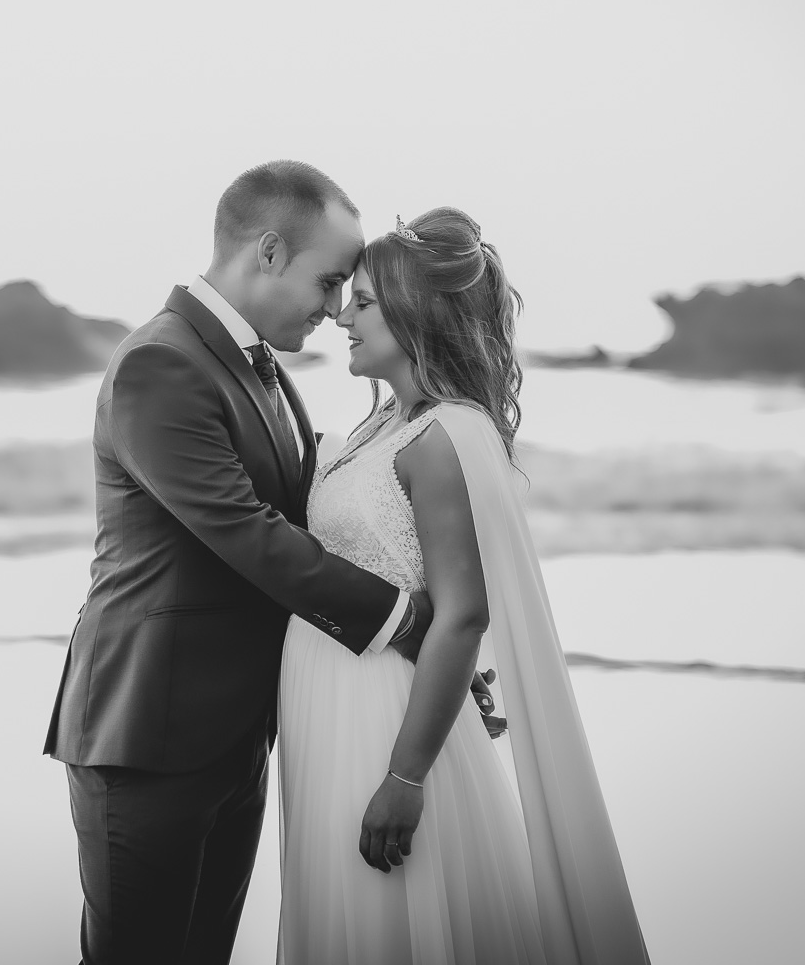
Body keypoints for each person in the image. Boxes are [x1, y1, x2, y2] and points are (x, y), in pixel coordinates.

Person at [44, 161, 446, 964]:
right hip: (148, 735)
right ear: (268, 252)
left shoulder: (261, 371)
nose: (336, 308)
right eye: (329, 281)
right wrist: (408, 625)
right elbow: (246, 532)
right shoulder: (162, 363)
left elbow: (312, 529)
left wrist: (441, 659)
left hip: (234, 736)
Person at [277, 206, 651, 964]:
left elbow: (463, 614)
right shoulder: (378, 429)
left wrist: (404, 776)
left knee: (393, 924)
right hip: (328, 702)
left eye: (366, 303)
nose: (343, 315)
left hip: (383, 722)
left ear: (418, 314)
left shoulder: (445, 435)